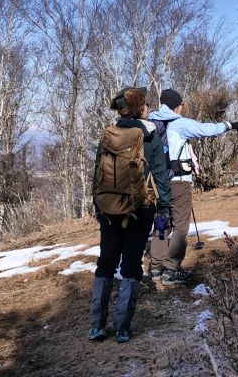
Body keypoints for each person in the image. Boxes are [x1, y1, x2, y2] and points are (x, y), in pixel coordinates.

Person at [89, 86, 171, 343]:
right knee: (131, 264)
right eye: (145, 105)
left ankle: (96, 326)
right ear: (139, 109)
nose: (148, 108)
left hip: (109, 207)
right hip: (140, 207)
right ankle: (123, 328)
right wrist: (165, 207)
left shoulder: (108, 135)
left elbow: (97, 173)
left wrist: (98, 206)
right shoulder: (150, 135)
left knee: (106, 261)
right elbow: (160, 173)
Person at [148, 88, 238, 285]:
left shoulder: (151, 123)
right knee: (181, 226)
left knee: (161, 223)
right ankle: (171, 270)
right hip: (179, 181)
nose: (183, 107)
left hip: (158, 183)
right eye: (182, 104)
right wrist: (232, 125)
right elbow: (208, 130)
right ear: (177, 105)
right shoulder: (179, 124)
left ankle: (156, 267)